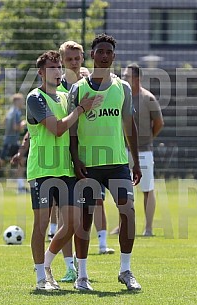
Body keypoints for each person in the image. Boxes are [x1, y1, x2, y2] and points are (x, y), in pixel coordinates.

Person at [69, 34, 142, 291]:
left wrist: (135, 161)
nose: (104, 55)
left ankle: (125, 270)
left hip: (117, 163)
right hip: (89, 165)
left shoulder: (122, 88)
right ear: (92, 55)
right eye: (99, 51)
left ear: (113, 56)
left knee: (128, 212)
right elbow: (72, 128)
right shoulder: (79, 89)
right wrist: (75, 158)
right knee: (85, 219)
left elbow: (129, 124)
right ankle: (82, 276)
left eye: (108, 52)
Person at [26, 50, 102, 290]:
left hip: (66, 170)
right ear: (41, 72)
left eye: (59, 67)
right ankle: (40, 278)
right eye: (52, 68)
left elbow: (73, 130)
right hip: (43, 170)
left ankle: (47, 265)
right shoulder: (35, 97)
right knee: (41, 225)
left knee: (71, 223)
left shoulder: (64, 95)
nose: (58, 71)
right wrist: (80, 109)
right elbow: (57, 128)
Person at [58, 41, 115, 283]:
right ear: (62, 61)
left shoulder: (92, 84)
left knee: (94, 203)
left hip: (89, 157)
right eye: (69, 59)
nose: (74, 62)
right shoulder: (57, 87)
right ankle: (69, 266)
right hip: (62, 155)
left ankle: (101, 243)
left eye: (77, 58)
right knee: (65, 214)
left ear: (84, 58)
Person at [123, 63, 164, 236]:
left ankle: (148, 228)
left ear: (137, 79)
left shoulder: (148, 98)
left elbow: (159, 123)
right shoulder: (122, 97)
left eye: (127, 76)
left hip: (144, 151)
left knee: (147, 189)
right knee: (124, 190)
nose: (123, 78)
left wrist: (148, 139)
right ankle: (122, 226)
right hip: (124, 150)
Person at [0, 93, 27, 194]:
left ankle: (20, 187)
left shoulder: (10, 112)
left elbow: (5, 124)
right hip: (11, 143)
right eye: (21, 101)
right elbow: (16, 127)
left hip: (10, 142)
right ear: (16, 101)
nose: (23, 103)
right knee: (0, 163)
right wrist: (24, 124)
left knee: (21, 162)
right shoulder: (16, 113)